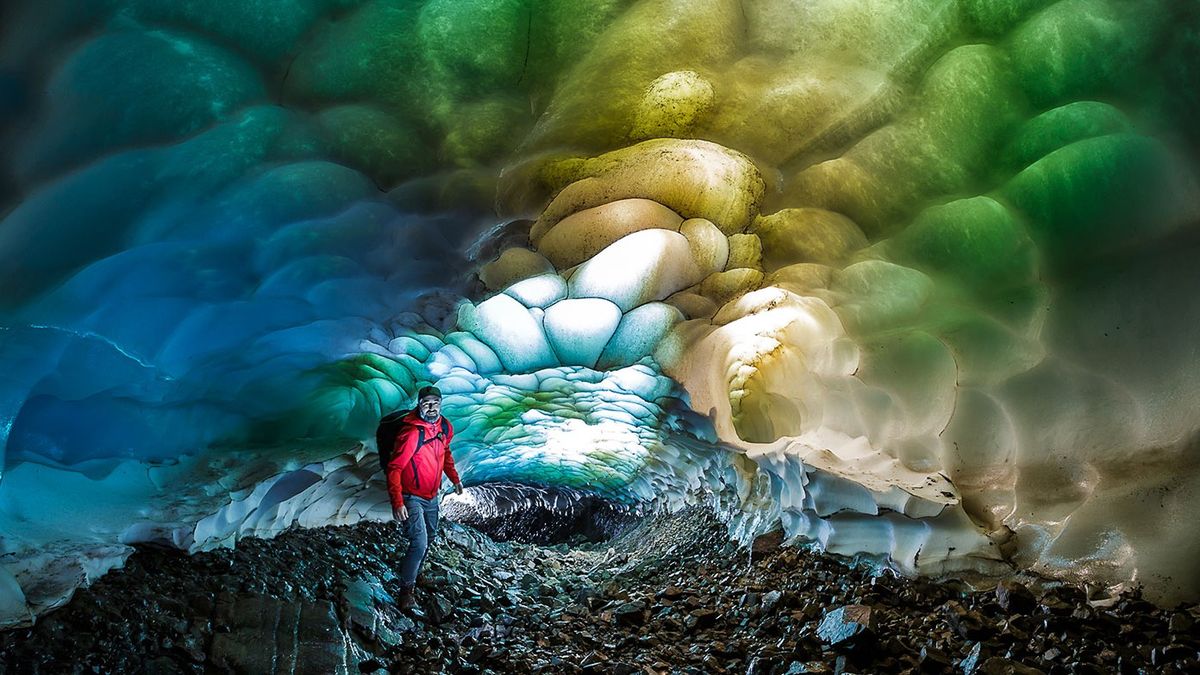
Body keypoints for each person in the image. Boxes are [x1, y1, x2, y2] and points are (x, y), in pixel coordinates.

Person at [384, 385, 463, 609]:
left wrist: (455, 479)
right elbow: (394, 468)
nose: (431, 408)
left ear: (440, 404)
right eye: (426, 403)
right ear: (419, 404)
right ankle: (406, 591)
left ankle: (416, 574)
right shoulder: (411, 433)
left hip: (432, 496)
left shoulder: (444, 428)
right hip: (412, 497)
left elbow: (445, 453)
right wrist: (398, 502)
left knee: (429, 537)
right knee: (419, 543)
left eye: (435, 403)